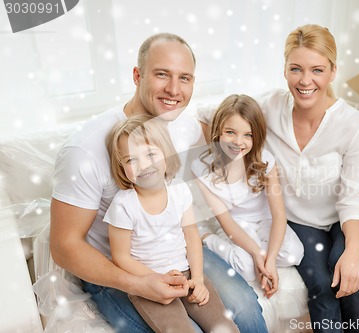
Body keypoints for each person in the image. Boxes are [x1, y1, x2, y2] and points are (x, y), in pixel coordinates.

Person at [50, 32, 268, 333]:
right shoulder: (84, 150)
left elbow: (226, 142)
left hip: (178, 251)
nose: (174, 89)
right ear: (137, 75)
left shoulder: (184, 125)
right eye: (162, 74)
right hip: (118, 265)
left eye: (185, 78)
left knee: (243, 311)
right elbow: (64, 246)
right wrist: (138, 283)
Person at [198, 24, 359, 333]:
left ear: (333, 71)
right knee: (322, 284)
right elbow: (209, 113)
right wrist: (218, 162)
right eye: (296, 69)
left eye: (317, 70)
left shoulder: (355, 125)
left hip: (347, 218)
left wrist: (353, 251)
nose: (305, 81)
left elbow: (351, 199)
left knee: (346, 272)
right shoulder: (270, 107)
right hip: (301, 223)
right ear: (284, 70)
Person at [104, 114, 239, 333]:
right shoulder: (123, 205)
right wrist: (156, 279)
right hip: (147, 282)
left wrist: (197, 278)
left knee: (225, 328)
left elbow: (192, 237)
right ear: (121, 167)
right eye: (131, 160)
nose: (143, 165)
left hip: (185, 273)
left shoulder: (179, 190)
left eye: (150, 154)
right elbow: (121, 257)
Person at [191, 94, 304, 298]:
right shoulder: (201, 168)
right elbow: (227, 222)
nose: (238, 142)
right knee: (247, 268)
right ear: (218, 132)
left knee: (294, 254)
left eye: (247, 135)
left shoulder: (266, 161)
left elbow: (279, 216)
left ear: (257, 136)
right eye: (230, 132)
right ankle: (206, 237)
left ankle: (260, 252)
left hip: (265, 220)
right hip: (235, 224)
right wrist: (257, 253)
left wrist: (269, 260)